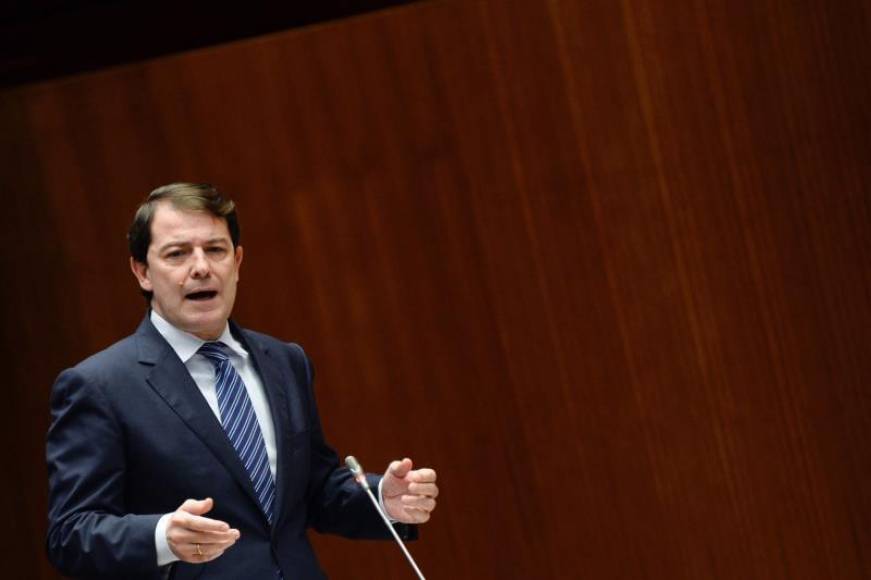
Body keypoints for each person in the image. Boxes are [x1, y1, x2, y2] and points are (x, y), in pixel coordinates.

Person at [46, 183, 438, 580]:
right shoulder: (100, 386)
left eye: (215, 250)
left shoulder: (285, 362)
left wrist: (381, 501)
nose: (201, 267)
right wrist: (162, 536)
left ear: (237, 261)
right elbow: (71, 533)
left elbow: (315, 490)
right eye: (177, 254)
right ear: (142, 272)